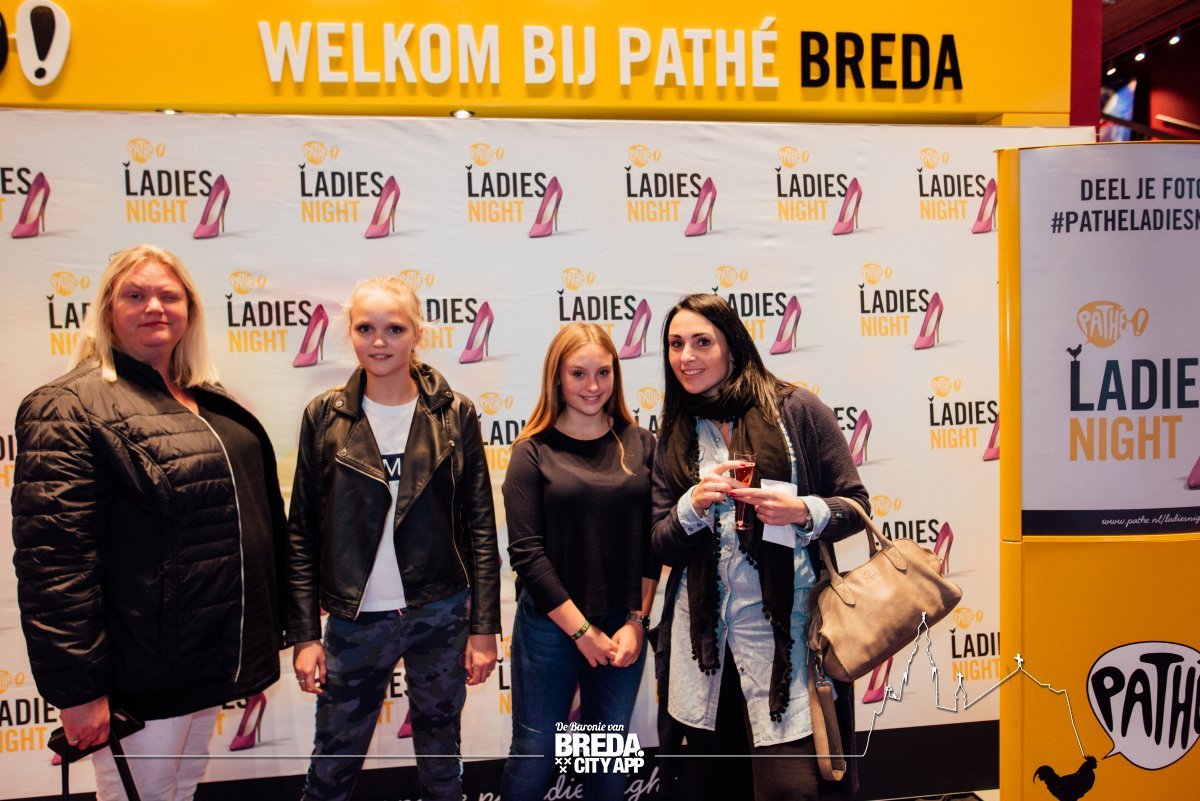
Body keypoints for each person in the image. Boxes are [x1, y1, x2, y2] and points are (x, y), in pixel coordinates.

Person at [11, 244, 286, 801]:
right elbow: (55, 566)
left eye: (168, 295)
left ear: (190, 310)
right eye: (135, 295)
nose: (154, 307)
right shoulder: (67, 406)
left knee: (179, 789)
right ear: (107, 310)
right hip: (140, 674)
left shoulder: (207, 400)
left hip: (205, 661)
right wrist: (79, 691)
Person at [286, 275, 500, 801]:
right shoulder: (324, 416)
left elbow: (480, 526)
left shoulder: (455, 413)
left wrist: (483, 628)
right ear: (350, 334)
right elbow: (302, 533)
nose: (379, 341)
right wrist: (305, 635)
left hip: (440, 610)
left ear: (417, 334)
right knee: (331, 767)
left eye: (394, 328)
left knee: (442, 765)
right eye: (365, 328)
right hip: (355, 617)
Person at [650, 294, 869, 801]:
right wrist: (692, 506)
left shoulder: (796, 409)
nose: (686, 357)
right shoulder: (676, 429)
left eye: (702, 342)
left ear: (732, 346)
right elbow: (662, 545)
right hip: (704, 653)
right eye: (676, 344)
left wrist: (802, 512)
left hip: (787, 643)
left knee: (794, 789)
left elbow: (856, 506)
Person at [500, 323, 659, 801]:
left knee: (605, 762)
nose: (593, 386)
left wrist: (637, 621)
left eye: (603, 373)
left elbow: (652, 545)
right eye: (578, 373)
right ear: (557, 377)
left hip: (621, 624)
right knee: (535, 756)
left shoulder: (641, 444)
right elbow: (526, 554)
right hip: (551, 625)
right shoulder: (532, 451)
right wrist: (581, 632)